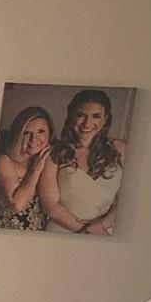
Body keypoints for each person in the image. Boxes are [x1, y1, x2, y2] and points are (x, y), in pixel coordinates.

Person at [41, 87, 125, 235]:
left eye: (96, 116)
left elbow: (128, 198)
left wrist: (103, 225)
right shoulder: (54, 152)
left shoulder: (120, 149)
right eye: (80, 115)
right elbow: (51, 206)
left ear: (105, 119)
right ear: (70, 116)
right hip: (62, 232)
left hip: (105, 231)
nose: (87, 123)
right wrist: (87, 232)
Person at [0, 104, 52, 230]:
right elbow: (17, 205)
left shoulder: (49, 165)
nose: (34, 138)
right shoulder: (4, 161)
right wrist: (36, 170)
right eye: (27, 133)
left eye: (41, 131)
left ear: (50, 134)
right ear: (17, 135)